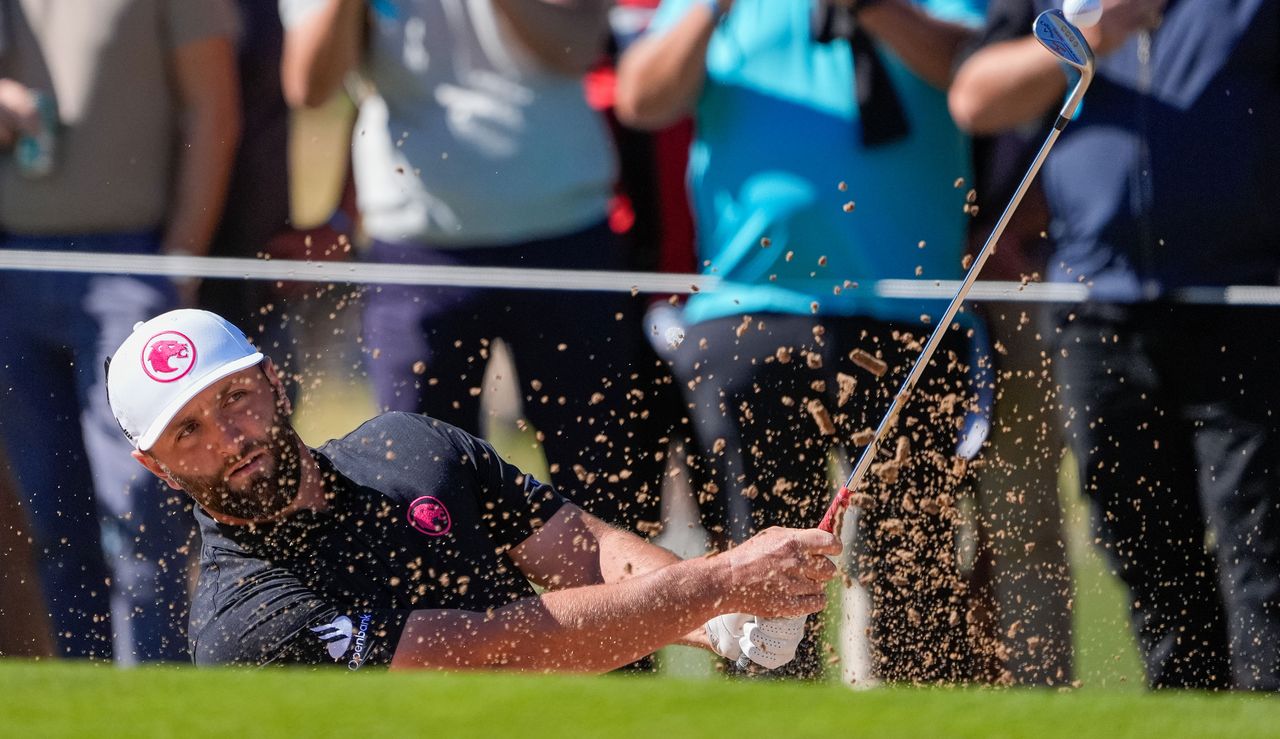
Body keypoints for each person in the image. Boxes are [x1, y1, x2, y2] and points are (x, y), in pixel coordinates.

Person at [103, 309, 839, 670]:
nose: (229, 438)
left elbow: (586, 552)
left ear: (273, 379)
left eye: (234, 397)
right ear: (156, 467)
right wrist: (713, 586)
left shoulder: (408, 446)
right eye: (188, 431)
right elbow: (498, 647)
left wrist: (723, 620)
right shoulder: (247, 621)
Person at [615, 0, 985, 680]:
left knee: (916, 572)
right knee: (759, 578)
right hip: (747, 314)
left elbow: (972, 74)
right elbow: (642, 97)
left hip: (911, 320)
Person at [950, 0, 1280, 690]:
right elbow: (975, 97)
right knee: (1142, 540)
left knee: (1261, 541)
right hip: (1095, 309)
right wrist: (1095, 34)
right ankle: (1186, 711)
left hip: (1243, 301)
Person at [277, 0, 669, 535]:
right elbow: (309, 86)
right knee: (423, 491)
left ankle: (624, 619)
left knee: (604, 484)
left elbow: (576, 51)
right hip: (415, 250)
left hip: (567, 233)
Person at [0, 0, 240, 662]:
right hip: (11, 264)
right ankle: (91, 702)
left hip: (128, 268)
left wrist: (180, 262)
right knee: (53, 518)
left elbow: (213, 109)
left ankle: (149, 704)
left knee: (143, 513)